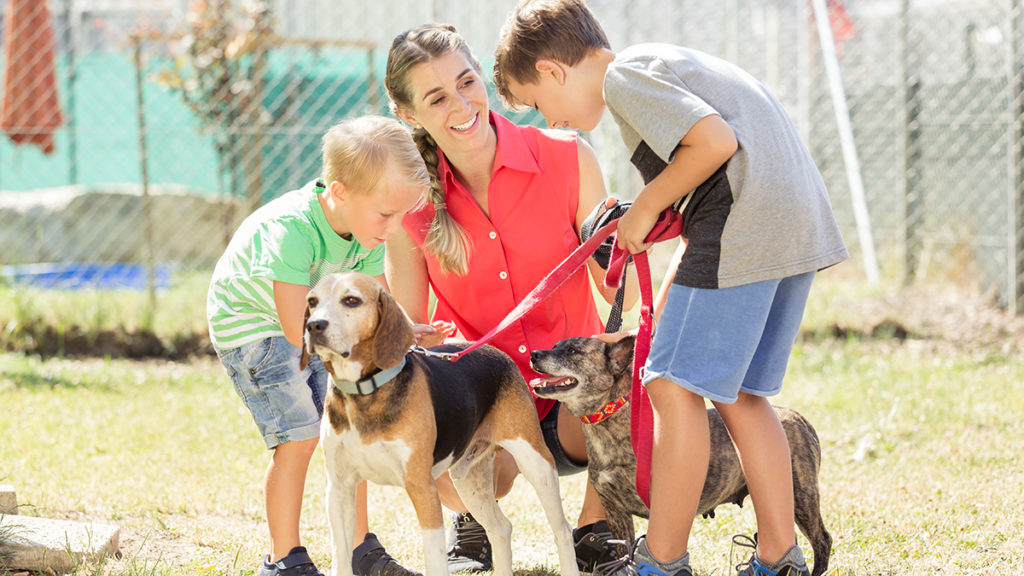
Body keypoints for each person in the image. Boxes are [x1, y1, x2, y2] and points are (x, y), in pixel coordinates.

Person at [493, 2, 849, 576]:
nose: (550, 121)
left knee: (669, 384)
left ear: (555, 70)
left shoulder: (625, 76)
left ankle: (661, 560)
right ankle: (779, 556)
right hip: (793, 223)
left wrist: (650, 205)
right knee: (743, 393)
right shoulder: (666, 61)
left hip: (744, 222)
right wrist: (661, 241)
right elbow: (715, 166)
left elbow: (715, 143)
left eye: (538, 103)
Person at [382, 23, 639, 574]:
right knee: (427, 439)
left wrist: (613, 262)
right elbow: (406, 334)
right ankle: (473, 520)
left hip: (574, 397)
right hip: (481, 402)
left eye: (467, 82)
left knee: (642, 371)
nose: (461, 103)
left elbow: (620, 293)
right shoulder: (409, 207)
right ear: (409, 115)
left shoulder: (568, 156)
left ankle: (600, 523)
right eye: (436, 97)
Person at [207, 115, 438, 576]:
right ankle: (283, 557)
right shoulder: (292, 231)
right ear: (339, 193)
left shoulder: (367, 232)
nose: (394, 228)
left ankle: (358, 548)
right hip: (255, 327)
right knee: (301, 435)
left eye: (400, 215)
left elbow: (375, 305)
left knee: (351, 428)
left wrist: (407, 331)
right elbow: (297, 331)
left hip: (314, 328)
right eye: (386, 214)